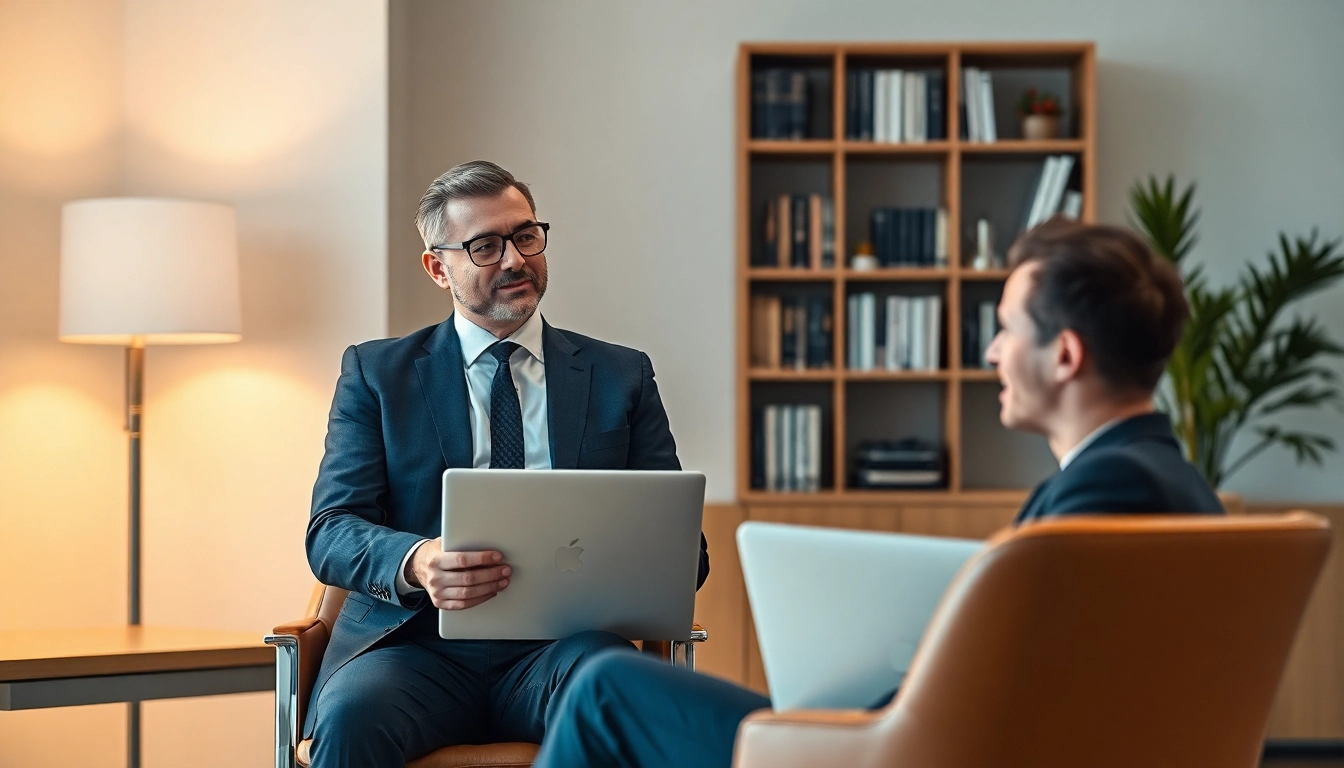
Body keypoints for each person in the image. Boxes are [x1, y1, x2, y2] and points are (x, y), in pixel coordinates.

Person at [531, 218, 1224, 768]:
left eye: (1008, 328)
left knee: (606, 691)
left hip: (921, 755)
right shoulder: (1172, 482)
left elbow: (996, 697)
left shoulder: (1109, 491)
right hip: (939, 743)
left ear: (1065, 355)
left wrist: (859, 723)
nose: (991, 353)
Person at [302, 160, 709, 767]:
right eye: (485, 246)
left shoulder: (621, 376)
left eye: (525, 236)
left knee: (615, 689)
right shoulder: (377, 374)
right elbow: (331, 531)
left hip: (563, 649)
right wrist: (418, 560)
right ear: (438, 268)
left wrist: (645, 561)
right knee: (354, 715)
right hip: (413, 648)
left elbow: (685, 555)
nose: (515, 259)